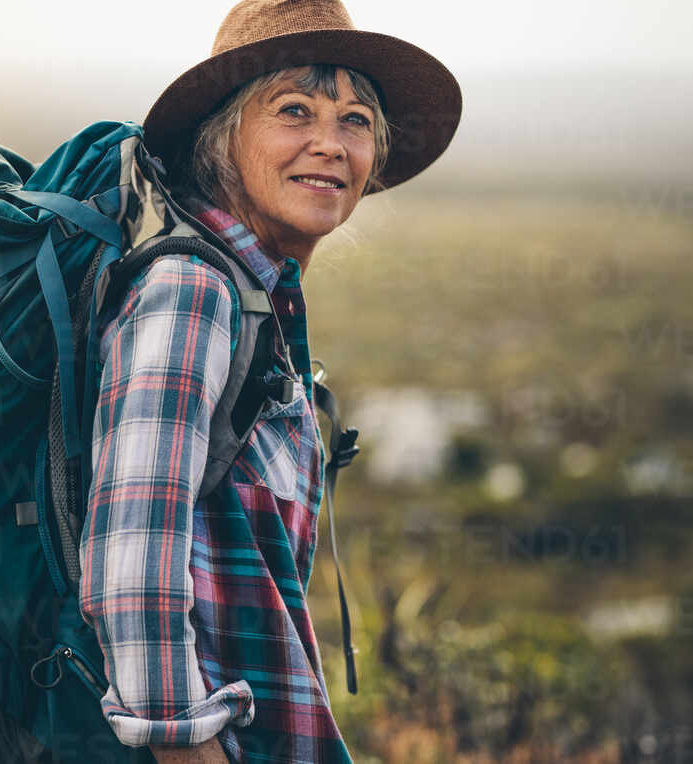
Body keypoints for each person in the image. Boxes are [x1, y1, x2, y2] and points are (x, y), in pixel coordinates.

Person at [78, 1, 461, 762]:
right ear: (223, 138)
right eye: (295, 111)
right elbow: (134, 554)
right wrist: (184, 744)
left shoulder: (257, 301)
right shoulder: (192, 291)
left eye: (356, 121)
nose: (330, 143)